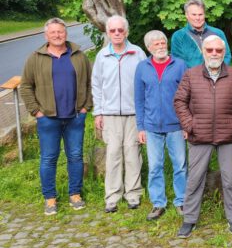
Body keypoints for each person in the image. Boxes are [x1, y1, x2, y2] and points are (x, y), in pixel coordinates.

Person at [173, 35, 232, 238]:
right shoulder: (191, 74)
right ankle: (189, 219)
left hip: (228, 135)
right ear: (204, 52)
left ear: (224, 53)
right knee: (195, 179)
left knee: (231, 178)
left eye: (218, 50)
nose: (214, 54)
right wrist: (190, 124)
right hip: (200, 135)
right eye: (210, 50)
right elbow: (180, 100)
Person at [20, 18, 92, 215]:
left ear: (65, 34)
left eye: (60, 32)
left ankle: (75, 194)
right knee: (49, 158)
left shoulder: (78, 56)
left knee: (75, 156)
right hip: (48, 118)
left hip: (75, 117)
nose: (57, 35)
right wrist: (37, 111)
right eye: (53, 32)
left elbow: (90, 82)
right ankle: (50, 198)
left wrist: (86, 107)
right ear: (46, 36)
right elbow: (26, 86)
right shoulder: (35, 58)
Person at [92, 15, 147, 213]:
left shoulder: (137, 52)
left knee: (133, 154)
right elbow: (96, 85)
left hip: (134, 113)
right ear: (107, 33)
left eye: (120, 30)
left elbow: (145, 83)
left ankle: (133, 194)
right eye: (113, 30)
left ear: (126, 32)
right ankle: (112, 196)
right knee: (113, 154)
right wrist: (98, 112)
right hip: (110, 114)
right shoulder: (102, 56)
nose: (116, 34)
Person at [134, 30, 187, 220]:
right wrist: (140, 127)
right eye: (156, 44)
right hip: (151, 126)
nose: (161, 46)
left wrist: (186, 124)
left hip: (176, 126)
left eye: (163, 43)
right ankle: (158, 203)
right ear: (149, 48)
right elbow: (139, 99)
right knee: (155, 166)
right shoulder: (142, 67)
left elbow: (187, 97)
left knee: (179, 165)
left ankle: (181, 201)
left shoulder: (180, 65)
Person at [171, 0, 232, 68]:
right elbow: (178, 63)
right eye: (194, 15)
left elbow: (227, 56)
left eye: (200, 14)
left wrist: (217, 73)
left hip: (217, 77)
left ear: (204, 15)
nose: (197, 18)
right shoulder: (178, 36)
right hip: (191, 78)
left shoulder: (218, 33)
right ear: (186, 15)